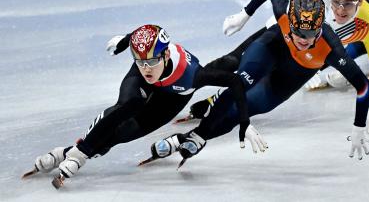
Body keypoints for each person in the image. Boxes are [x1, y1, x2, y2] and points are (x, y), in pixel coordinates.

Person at [150, 0, 369, 165]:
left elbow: (363, 86)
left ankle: (194, 138)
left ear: (320, 31)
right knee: (238, 84)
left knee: (245, 109)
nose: (303, 41)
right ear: (290, 24)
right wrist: (244, 14)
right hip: (272, 47)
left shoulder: (332, 48)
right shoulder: (283, 15)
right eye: (297, 33)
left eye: (310, 36)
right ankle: (183, 112)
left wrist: (359, 127)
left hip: (295, 72)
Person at [26, 24, 259, 188]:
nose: (146, 68)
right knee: (127, 105)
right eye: (140, 61)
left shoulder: (195, 75)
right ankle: (77, 154)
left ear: (165, 56)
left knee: (124, 133)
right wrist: (126, 40)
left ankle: (64, 153)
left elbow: (234, 81)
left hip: (173, 96)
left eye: (151, 62)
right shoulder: (144, 63)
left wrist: (244, 121)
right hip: (146, 87)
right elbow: (143, 32)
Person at [184, 0, 369, 134]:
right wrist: (244, 14)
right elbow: (279, 2)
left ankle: (219, 102)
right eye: (335, 1)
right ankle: (183, 84)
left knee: (258, 90)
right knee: (230, 62)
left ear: (361, 1)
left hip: (307, 58)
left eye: (348, 3)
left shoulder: (367, 24)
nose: (339, 9)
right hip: (279, 37)